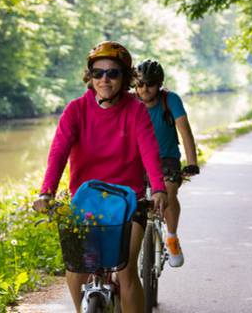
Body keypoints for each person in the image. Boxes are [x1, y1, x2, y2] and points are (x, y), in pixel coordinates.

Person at [33, 41, 168, 313]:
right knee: (76, 269)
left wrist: (158, 189)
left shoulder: (136, 110)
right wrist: (46, 192)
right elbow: (58, 153)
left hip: (130, 202)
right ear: (90, 77)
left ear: (125, 78)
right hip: (87, 203)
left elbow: (150, 151)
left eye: (113, 73)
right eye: (98, 73)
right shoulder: (75, 110)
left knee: (127, 271)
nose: (104, 79)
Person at [134, 59, 199, 268]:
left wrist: (192, 162)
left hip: (167, 159)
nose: (145, 89)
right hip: (137, 159)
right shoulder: (130, 102)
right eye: (140, 84)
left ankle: (171, 238)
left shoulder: (169, 100)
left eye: (150, 84)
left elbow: (185, 130)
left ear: (159, 83)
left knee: (168, 192)